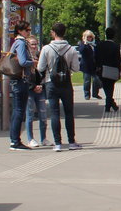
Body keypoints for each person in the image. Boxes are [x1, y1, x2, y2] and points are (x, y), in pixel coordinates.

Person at [38, 22, 81, 150]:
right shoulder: (71, 49)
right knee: (69, 112)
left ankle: (57, 143)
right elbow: (76, 68)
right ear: (64, 33)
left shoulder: (46, 49)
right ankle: (72, 142)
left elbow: (40, 67)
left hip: (51, 83)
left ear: (53, 33)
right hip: (66, 83)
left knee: (55, 113)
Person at [7, 21, 36, 150]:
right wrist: (33, 62)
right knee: (19, 111)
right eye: (26, 30)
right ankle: (15, 141)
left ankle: (14, 140)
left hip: (16, 80)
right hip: (20, 80)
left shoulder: (17, 42)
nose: (28, 32)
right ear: (19, 31)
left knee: (17, 110)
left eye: (29, 30)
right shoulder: (20, 43)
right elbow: (23, 61)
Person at [25, 34, 49, 147]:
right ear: (27, 45)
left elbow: (44, 72)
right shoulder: (25, 58)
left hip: (41, 88)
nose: (34, 46)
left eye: (36, 44)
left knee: (43, 114)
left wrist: (40, 85)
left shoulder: (40, 56)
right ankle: (30, 139)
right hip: (30, 89)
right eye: (32, 44)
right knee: (29, 114)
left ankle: (44, 138)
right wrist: (33, 86)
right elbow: (25, 76)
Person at [95, 26, 121, 112]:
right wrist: (119, 71)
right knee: (110, 88)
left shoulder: (100, 45)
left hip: (102, 70)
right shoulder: (116, 46)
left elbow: (96, 57)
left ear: (106, 35)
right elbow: (118, 60)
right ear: (114, 36)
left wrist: (97, 67)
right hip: (113, 70)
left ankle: (110, 105)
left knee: (106, 88)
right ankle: (110, 105)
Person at [78, 30, 100, 100]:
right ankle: (87, 94)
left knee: (96, 80)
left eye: (90, 37)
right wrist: (85, 43)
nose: (89, 38)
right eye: (88, 37)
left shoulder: (95, 44)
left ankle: (95, 94)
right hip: (86, 66)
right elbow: (81, 51)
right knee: (87, 81)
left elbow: (98, 53)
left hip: (94, 65)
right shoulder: (83, 44)